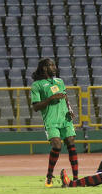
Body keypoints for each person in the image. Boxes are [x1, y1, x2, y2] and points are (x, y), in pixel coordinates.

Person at [31, 58, 78, 187]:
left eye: (54, 65)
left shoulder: (60, 81)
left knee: (71, 143)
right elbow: (35, 107)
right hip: (51, 121)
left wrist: (70, 109)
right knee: (57, 145)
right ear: (45, 68)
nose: (54, 67)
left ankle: (76, 178)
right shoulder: (37, 85)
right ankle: (49, 176)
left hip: (65, 119)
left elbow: (65, 97)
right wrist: (51, 98)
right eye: (51, 65)